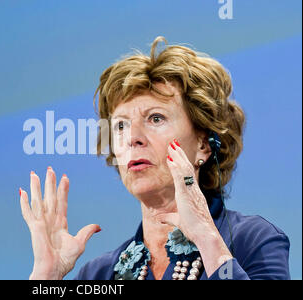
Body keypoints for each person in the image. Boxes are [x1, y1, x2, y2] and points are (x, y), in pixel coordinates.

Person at [19, 36, 290, 280]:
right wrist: (46, 277)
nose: (132, 137)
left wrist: (208, 241)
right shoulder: (99, 274)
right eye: (121, 125)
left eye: (155, 118)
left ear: (204, 144)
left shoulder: (253, 241)